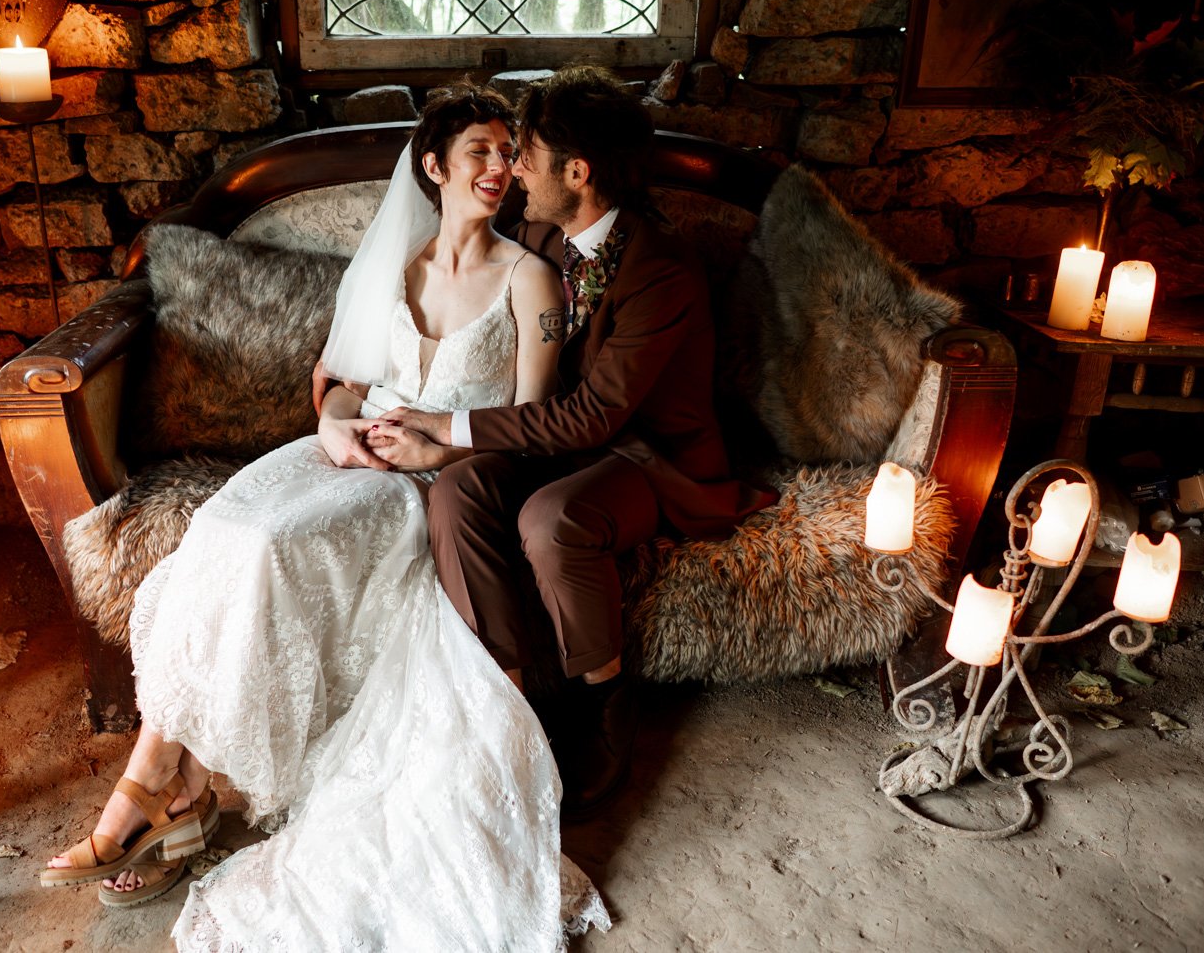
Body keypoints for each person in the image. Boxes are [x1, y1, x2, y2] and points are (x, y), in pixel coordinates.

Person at [42, 83, 610, 950]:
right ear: (434, 168)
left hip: (427, 480)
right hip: (346, 451)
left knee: (272, 543)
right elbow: (345, 378)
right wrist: (334, 424)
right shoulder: (401, 266)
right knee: (224, 530)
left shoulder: (530, 278)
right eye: (480, 153)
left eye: (507, 153)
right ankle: (168, 779)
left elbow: (528, 422)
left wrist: (438, 453)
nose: (500, 168)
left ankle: (159, 792)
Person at [373, 66, 774, 817]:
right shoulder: (535, 236)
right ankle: (508, 694)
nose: (513, 167)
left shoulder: (661, 268)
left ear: (577, 172)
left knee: (549, 521)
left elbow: (594, 417)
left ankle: (606, 707)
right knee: (459, 491)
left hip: (646, 458)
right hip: (555, 445)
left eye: (526, 154)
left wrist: (446, 429)